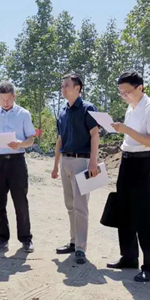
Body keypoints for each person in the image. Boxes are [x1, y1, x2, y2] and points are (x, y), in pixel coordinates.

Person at [108, 70, 150, 282]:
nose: (124, 96)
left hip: (143, 162)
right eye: (121, 92)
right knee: (124, 209)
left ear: (140, 87)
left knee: (144, 214)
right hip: (127, 160)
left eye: (127, 92)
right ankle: (129, 256)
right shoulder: (130, 108)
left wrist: (125, 129)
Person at [0, 81, 36, 253]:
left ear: (14, 96)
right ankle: (2, 238)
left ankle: (26, 238)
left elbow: (31, 139)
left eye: (8, 99)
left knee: (21, 202)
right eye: (2, 99)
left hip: (17, 161)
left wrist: (21, 143)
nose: (5, 103)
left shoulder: (23, 114)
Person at [52, 73, 100, 264]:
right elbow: (60, 140)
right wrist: (56, 165)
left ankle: (81, 248)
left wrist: (93, 162)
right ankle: (73, 242)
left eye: (66, 85)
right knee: (70, 205)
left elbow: (95, 135)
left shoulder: (88, 109)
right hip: (66, 161)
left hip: (82, 162)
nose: (63, 89)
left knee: (81, 207)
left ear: (77, 88)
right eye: (62, 85)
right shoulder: (62, 112)